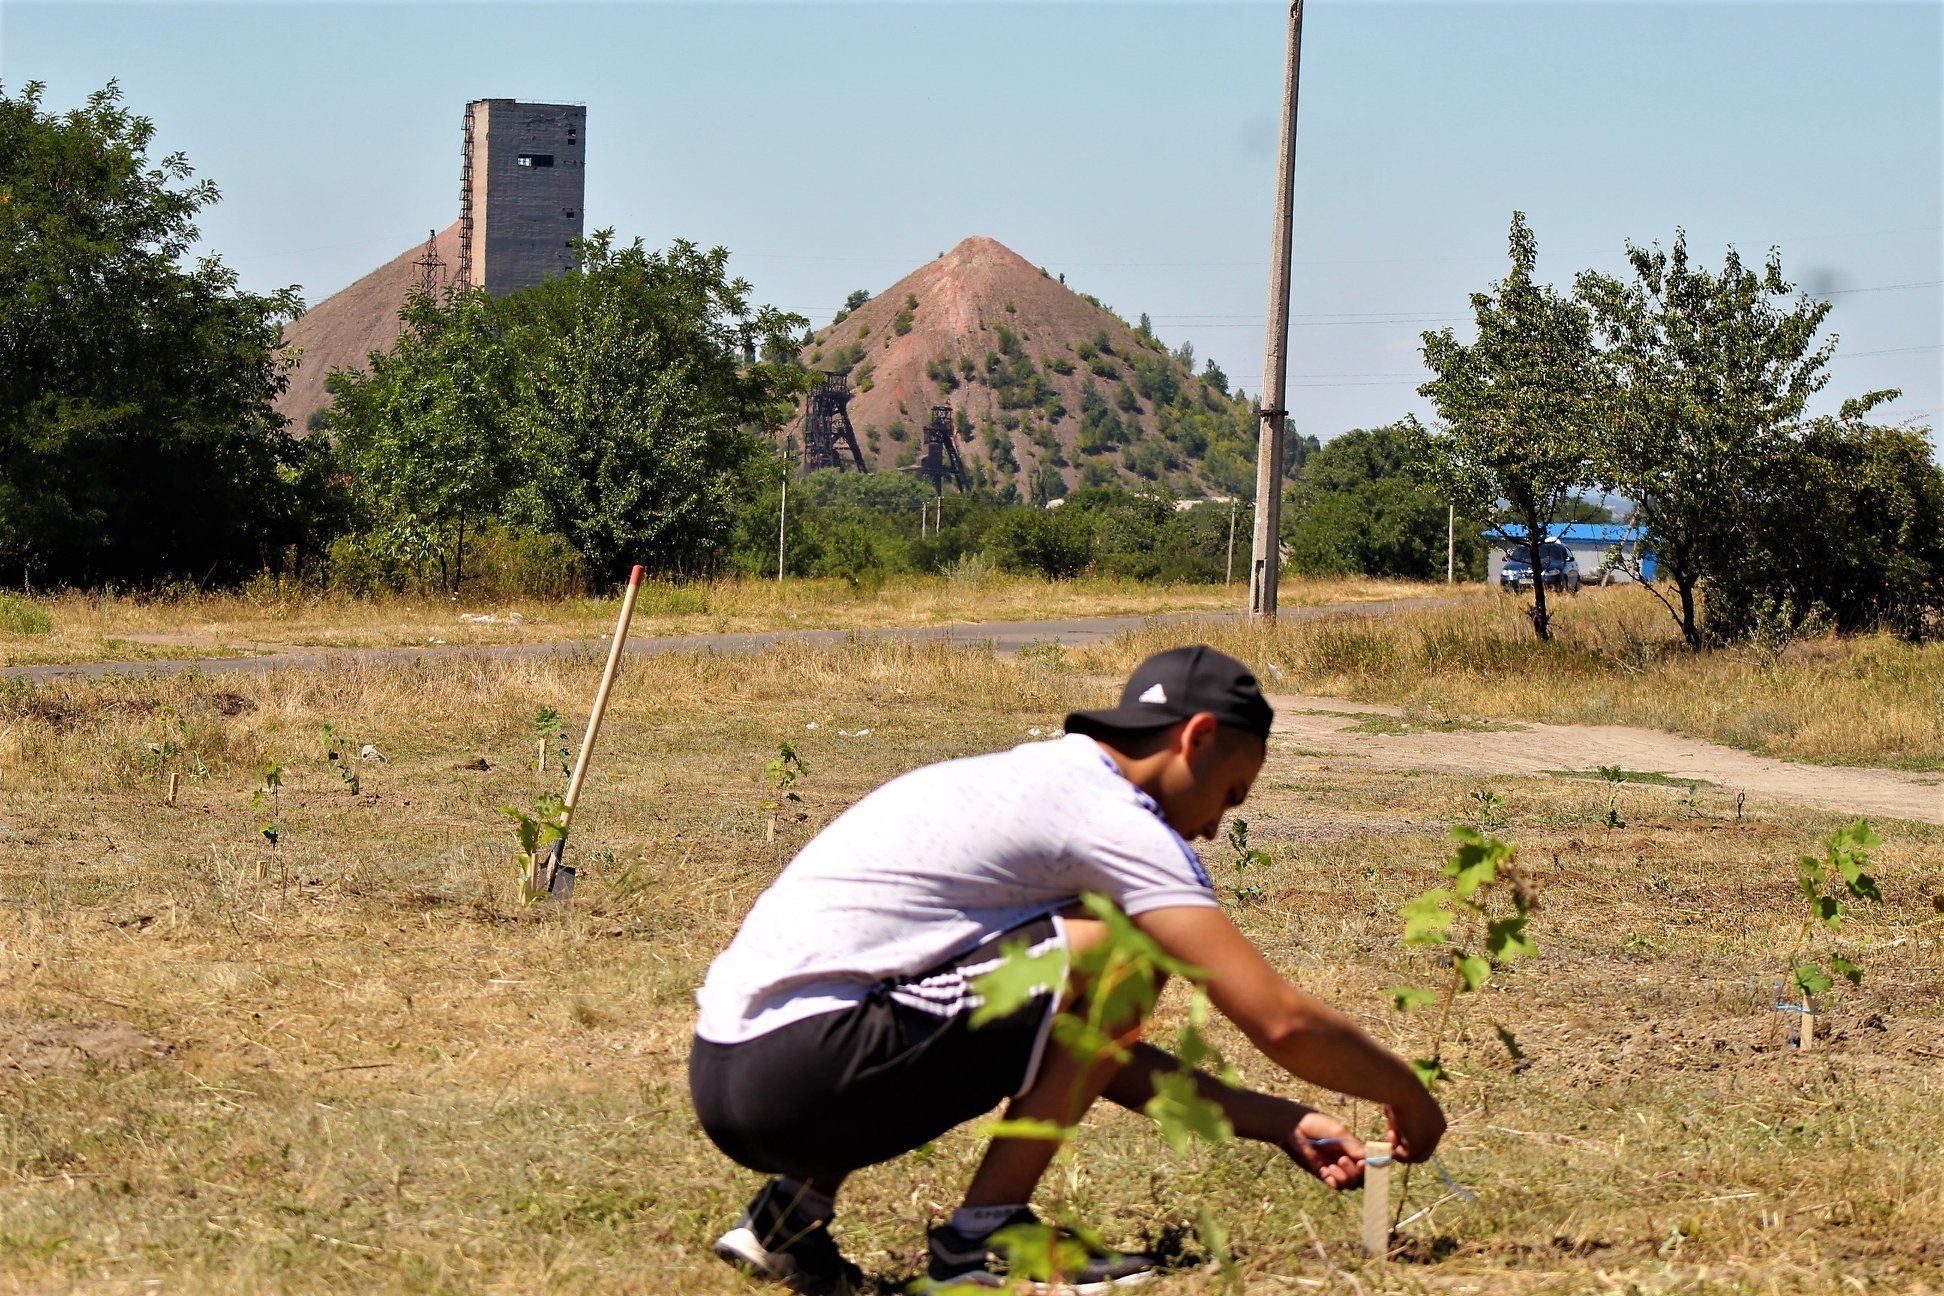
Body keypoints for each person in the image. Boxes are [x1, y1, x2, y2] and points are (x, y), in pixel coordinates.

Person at [689, 645, 1446, 1293]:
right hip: (803, 1074)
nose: (1216, 826)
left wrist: (1281, 1122)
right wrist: (1405, 1093)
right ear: (1198, 736)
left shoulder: (1029, 780)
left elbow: (1083, 1053)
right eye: (1229, 794)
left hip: (732, 1070)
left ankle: (784, 1222)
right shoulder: (1117, 821)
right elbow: (1278, 1019)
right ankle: (984, 1238)